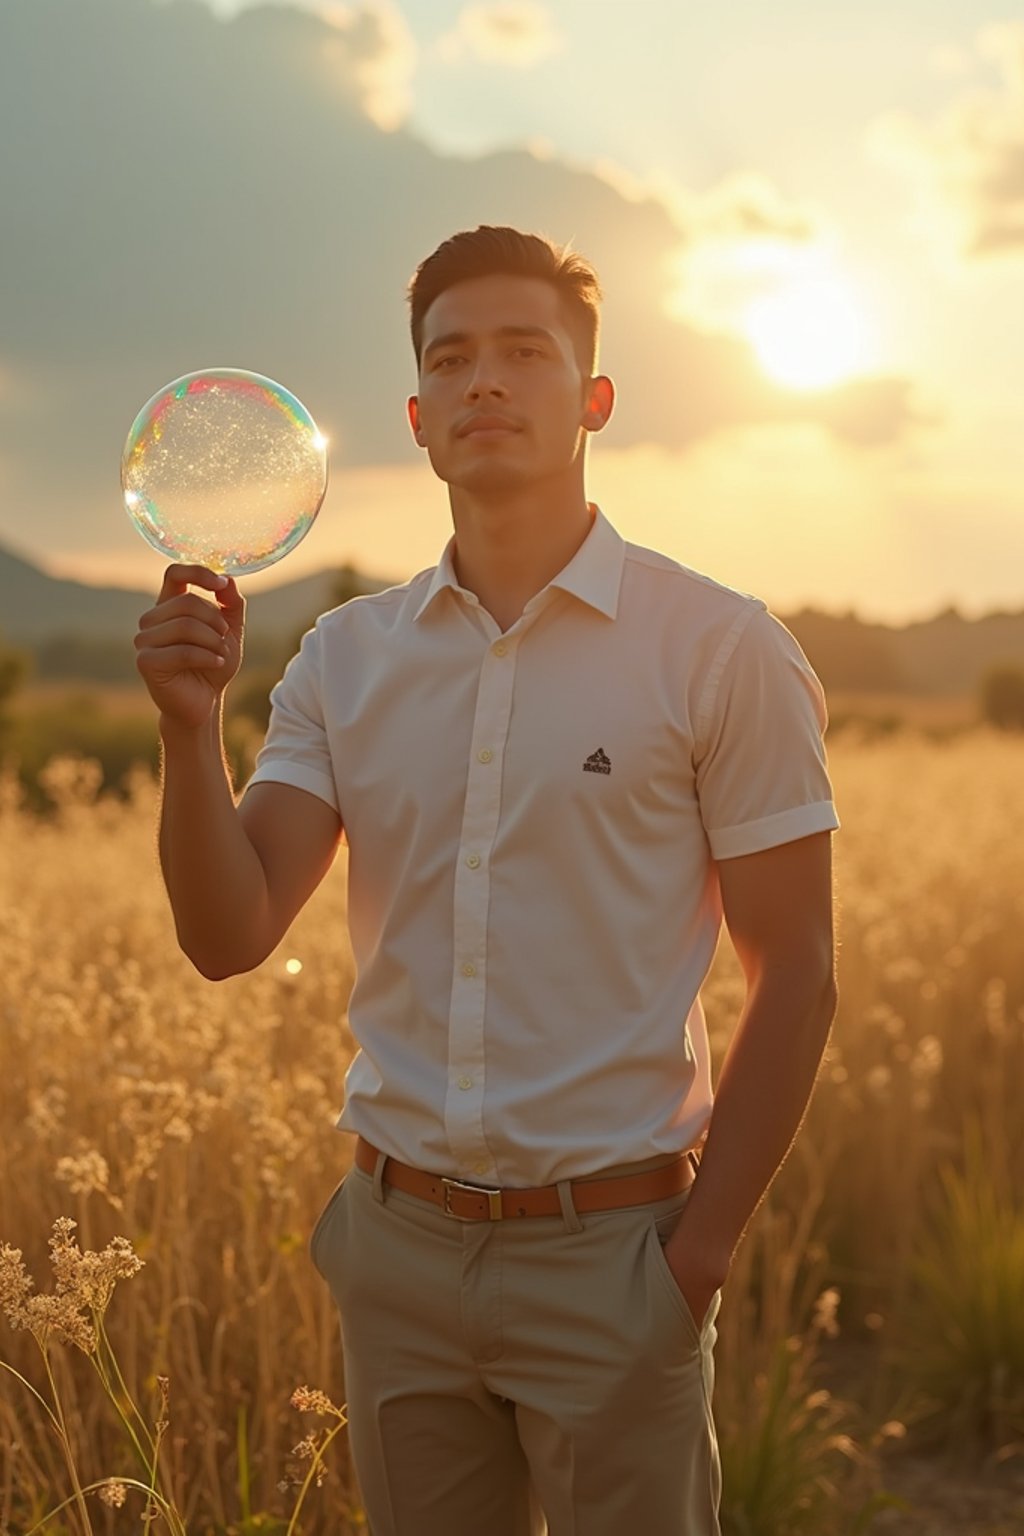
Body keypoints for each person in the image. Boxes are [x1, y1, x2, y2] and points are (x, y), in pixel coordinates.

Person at [135, 224, 840, 1536]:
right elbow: (231, 934)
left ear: (596, 400)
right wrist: (189, 726)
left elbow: (796, 970)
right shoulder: (342, 662)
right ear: (414, 417)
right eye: (452, 361)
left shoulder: (721, 650)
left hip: (619, 1257)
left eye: (526, 352)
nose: (486, 383)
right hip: (398, 1254)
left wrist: (697, 1257)